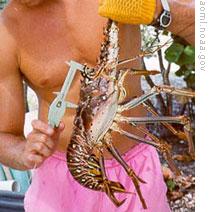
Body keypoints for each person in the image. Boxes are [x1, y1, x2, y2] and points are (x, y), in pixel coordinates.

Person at [0, 0, 194, 211]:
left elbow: (198, 23)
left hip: (135, 171)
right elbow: (4, 135)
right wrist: (22, 152)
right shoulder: (6, 30)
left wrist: (159, 10)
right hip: (58, 184)